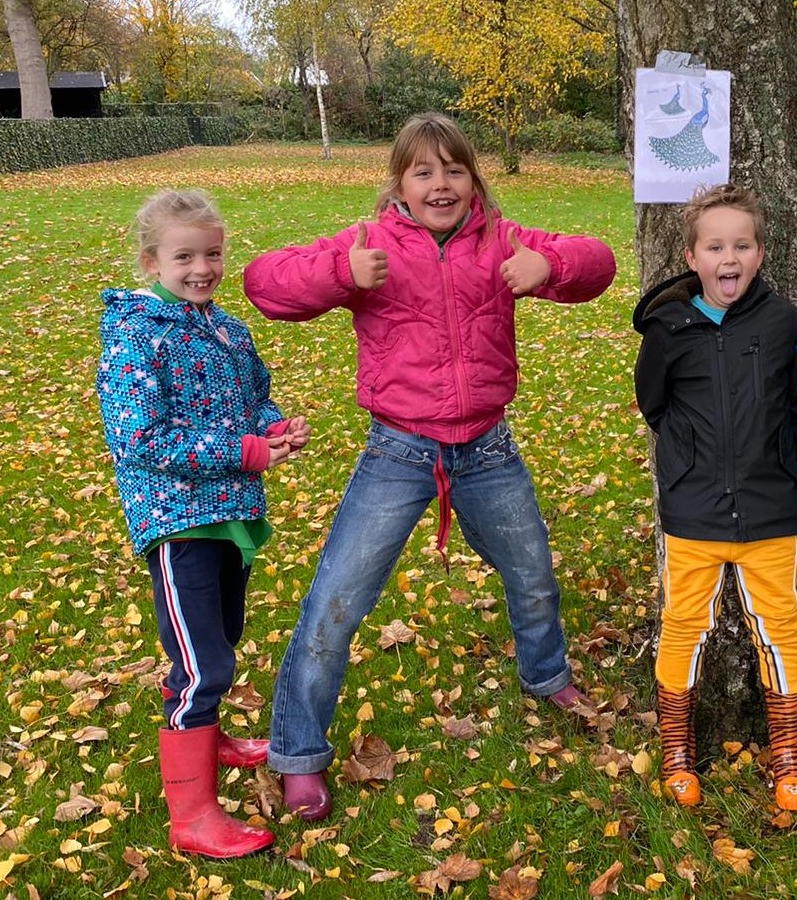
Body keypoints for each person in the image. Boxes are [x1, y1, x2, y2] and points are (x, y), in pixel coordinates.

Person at [243, 113, 617, 821]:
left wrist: (555, 266)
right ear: (400, 184)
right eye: (424, 171)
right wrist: (339, 272)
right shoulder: (370, 244)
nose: (440, 183)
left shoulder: (501, 240)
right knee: (336, 602)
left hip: (487, 450)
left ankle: (547, 676)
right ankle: (296, 752)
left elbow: (597, 260)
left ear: (473, 180)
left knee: (532, 572)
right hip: (399, 449)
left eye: (453, 169)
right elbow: (264, 283)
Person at [97, 188, 310, 858]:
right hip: (178, 521)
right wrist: (243, 452)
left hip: (229, 515)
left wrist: (272, 426)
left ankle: (208, 740)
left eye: (212, 253)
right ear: (150, 259)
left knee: (222, 636)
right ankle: (191, 818)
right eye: (184, 255)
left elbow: (252, 397)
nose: (202, 267)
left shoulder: (225, 329)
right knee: (200, 664)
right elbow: (140, 438)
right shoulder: (137, 335)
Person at [632, 184, 797, 811]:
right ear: (692, 256)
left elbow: (796, 407)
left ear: (760, 253)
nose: (728, 258)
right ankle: (678, 749)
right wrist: (688, 460)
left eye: (741, 245)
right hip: (696, 509)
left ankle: (788, 751)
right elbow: (653, 402)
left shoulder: (783, 319)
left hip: (771, 508)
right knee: (684, 624)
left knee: (780, 627)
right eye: (715, 246)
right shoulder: (668, 327)